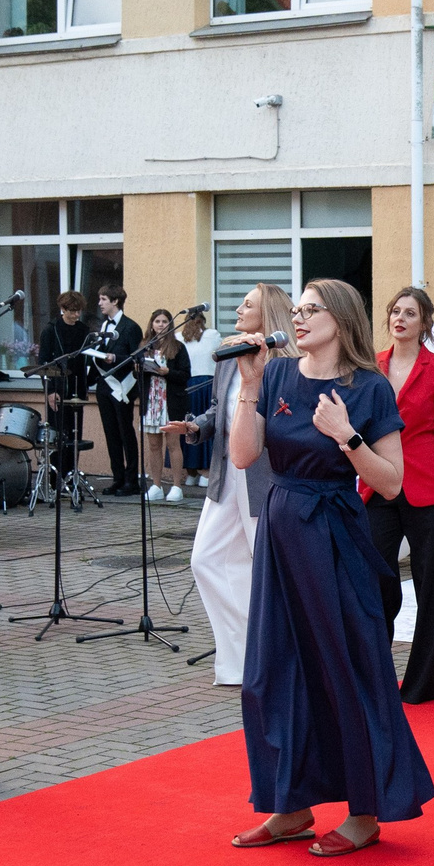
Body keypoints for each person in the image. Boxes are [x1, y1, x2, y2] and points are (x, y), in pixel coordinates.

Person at [226, 280, 434, 855]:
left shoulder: (369, 388)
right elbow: (244, 456)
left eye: (310, 310)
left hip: (336, 534)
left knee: (348, 668)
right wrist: (248, 387)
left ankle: (366, 811)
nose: (298, 318)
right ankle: (288, 806)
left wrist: (347, 437)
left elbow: (390, 483)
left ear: (340, 318)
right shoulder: (275, 375)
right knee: (273, 670)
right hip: (281, 532)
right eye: (295, 310)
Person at [175, 283, 286, 687]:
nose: (238, 309)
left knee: (266, 567)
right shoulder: (228, 354)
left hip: (265, 477)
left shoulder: (281, 363)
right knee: (205, 559)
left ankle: (270, 657)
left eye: (248, 305)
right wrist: (195, 427)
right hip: (226, 475)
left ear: (268, 314)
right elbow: (216, 411)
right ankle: (243, 658)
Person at [366, 286, 434, 704]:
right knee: (377, 580)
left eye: (410, 313)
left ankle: (425, 681)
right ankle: (374, 674)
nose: (400, 319)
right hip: (376, 485)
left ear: (424, 323)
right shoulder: (369, 366)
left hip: (429, 486)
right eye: (395, 311)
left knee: (433, 588)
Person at [88, 285, 142, 495]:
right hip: (104, 387)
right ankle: (117, 478)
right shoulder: (103, 326)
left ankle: (132, 480)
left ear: (115, 301)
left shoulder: (130, 327)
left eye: (103, 299)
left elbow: (135, 357)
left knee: (125, 433)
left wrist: (115, 358)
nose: (100, 303)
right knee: (111, 434)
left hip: (123, 388)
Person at [36, 290, 94, 482]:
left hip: (77, 388)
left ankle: (71, 476)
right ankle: (54, 480)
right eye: (72, 311)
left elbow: (89, 359)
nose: (76, 315)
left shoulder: (84, 330)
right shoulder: (51, 330)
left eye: (78, 311)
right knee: (58, 435)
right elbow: (43, 362)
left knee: (75, 435)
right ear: (62, 309)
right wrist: (50, 391)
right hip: (58, 389)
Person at [135, 308, 191, 502]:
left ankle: (176, 486)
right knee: (153, 445)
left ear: (170, 324)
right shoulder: (144, 346)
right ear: (151, 324)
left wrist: (168, 372)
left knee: (173, 443)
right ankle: (156, 485)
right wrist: (138, 369)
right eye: (157, 321)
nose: (160, 324)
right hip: (151, 400)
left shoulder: (178, 347)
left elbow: (185, 375)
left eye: (164, 321)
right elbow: (137, 376)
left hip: (171, 401)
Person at [177, 307, 216, 482]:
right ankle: (205, 471)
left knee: (189, 425)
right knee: (204, 425)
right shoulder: (212, 335)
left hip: (187, 384)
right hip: (206, 385)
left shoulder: (179, 337)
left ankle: (191, 473)